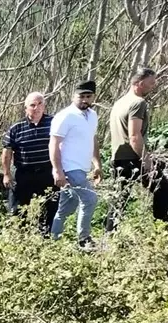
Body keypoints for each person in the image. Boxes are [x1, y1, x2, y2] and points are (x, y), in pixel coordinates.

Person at [108, 67, 168, 228]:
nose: (153, 86)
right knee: (162, 187)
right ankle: (161, 230)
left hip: (118, 158)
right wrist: (148, 163)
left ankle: (110, 235)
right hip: (132, 158)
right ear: (140, 83)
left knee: (119, 199)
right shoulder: (138, 103)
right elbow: (134, 136)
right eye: (151, 83)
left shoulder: (119, 102)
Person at [50, 80, 102, 246]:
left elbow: (92, 140)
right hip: (69, 168)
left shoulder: (92, 115)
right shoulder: (65, 116)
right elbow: (54, 143)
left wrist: (97, 165)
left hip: (82, 166)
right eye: (81, 96)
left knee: (67, 207)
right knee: (90, 199)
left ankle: (55, 239)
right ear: (73, 96)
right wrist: (57, 170)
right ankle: (84, 239)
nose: (85, 100)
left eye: (88, 96)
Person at [1, 92, 58, 233]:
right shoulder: (16, 128)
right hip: (23, 174)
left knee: (50, 208)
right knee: (18, 209)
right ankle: (19, 238)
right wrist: (6, 174)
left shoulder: (54, 123)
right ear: (26, 107)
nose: (36, 108)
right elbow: (7, 152)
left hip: (47, 173)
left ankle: (46, 239)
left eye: (40, 104)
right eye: (32, 105)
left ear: (44, 106)